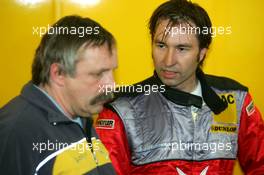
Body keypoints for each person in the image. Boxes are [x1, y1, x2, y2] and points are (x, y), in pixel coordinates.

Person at [95, 0, 264, 174]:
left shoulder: (234, 99)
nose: (168, 61)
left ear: (202, 54)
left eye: (182, 48)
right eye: (161, 45)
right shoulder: (121, 110)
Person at [0, 15, 117, 175]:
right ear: (58, 73)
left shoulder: (80, 115)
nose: (112, 85)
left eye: (112, 71)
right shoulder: (15, 133)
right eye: (98, 74)